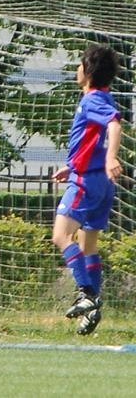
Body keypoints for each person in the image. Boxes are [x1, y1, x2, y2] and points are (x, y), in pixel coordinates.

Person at [50, 44, 121, 336]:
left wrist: (111, 157)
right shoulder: (103, 96)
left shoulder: (92, 99)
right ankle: (93, 307)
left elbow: (114, 124)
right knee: (88, 246)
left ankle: (87, 295)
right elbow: (92, 139)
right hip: (100, 182)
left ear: (88, 72)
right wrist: (72, 165)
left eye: (80, 65)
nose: (77, 70)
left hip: (87, 182)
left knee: (60, 236)